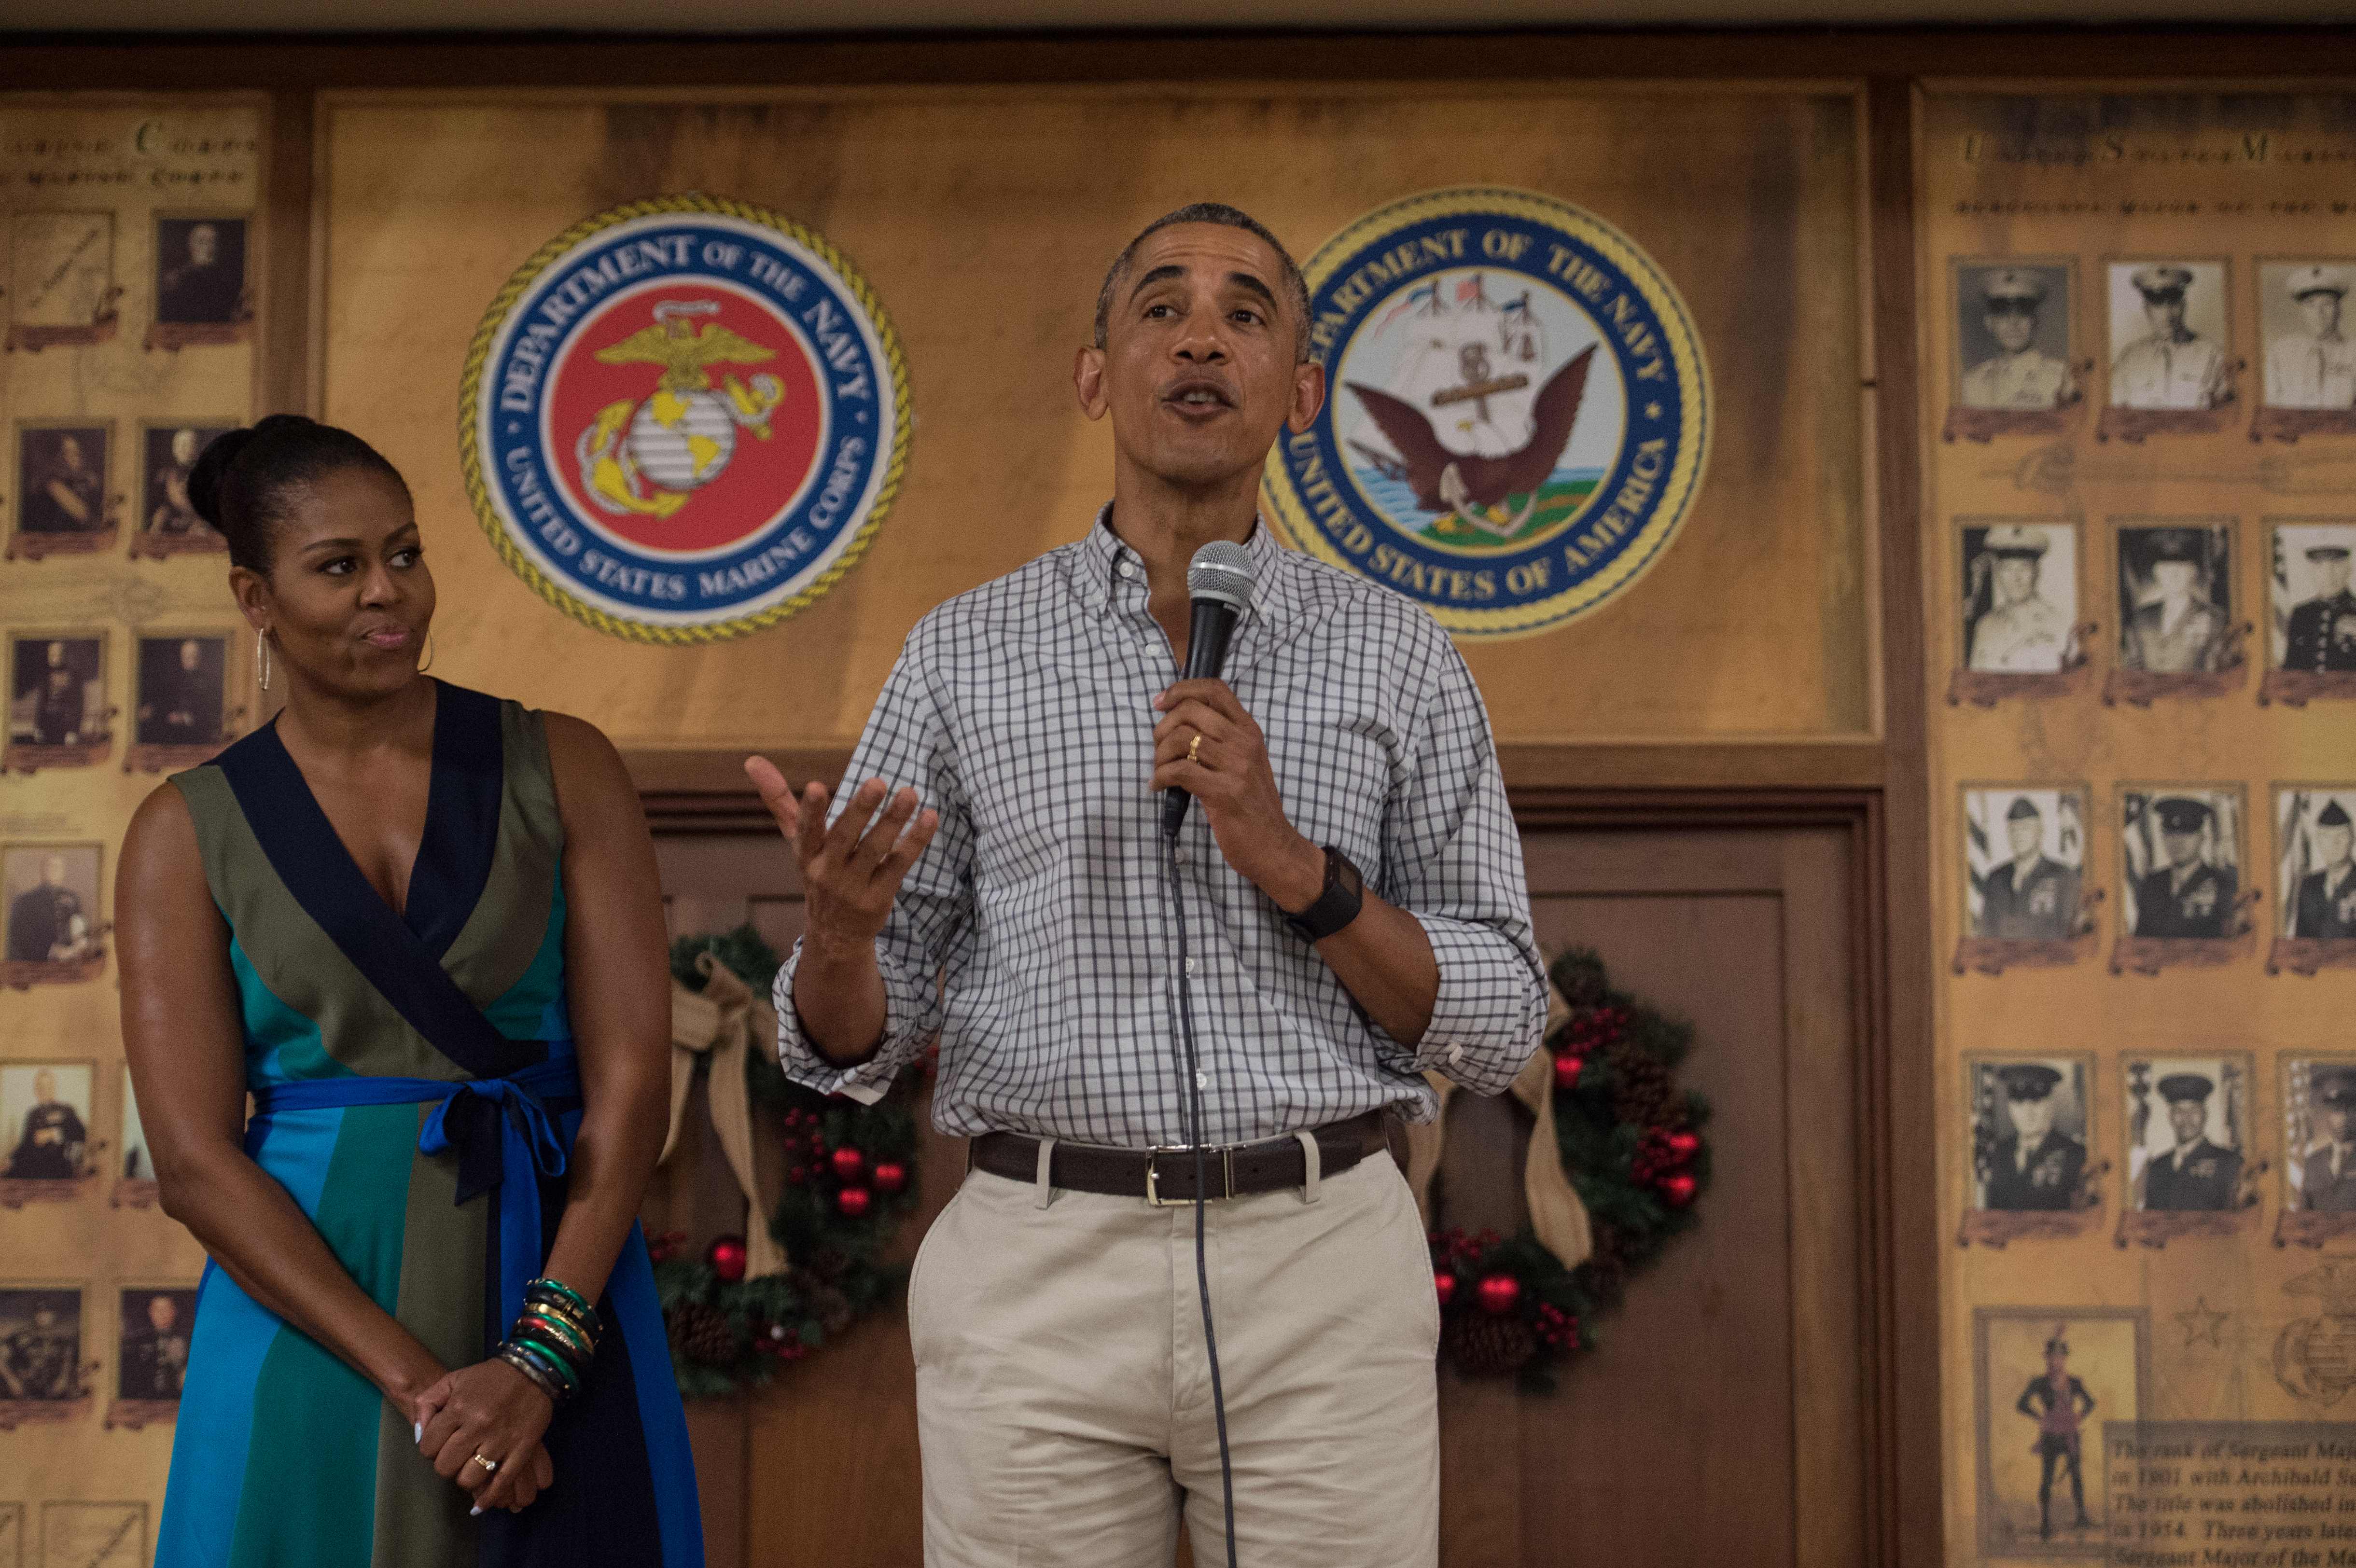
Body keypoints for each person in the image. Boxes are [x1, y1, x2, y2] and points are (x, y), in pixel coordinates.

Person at [754, 203, 1545, 1568]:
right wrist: (837, 939)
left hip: (1322, 1261)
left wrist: (1299, 870)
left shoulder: (1400, 656)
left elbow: (1500, 1014)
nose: (1200, 336)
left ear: (1299, 391)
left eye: (1247, 312)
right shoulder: (965, 653)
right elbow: (845, 1056)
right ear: (1094, 375)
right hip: (1038, 1260)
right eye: (1161, 307)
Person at [115, 414, 700, 1566]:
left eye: (407, 553)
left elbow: (635, 1081)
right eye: (339, 567)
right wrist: (427, 1387)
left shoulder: (564, 763)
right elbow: (193, 1164)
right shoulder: (182, 832)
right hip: (310, 1316)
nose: (390, 592)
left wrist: (541, 1356)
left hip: (557, 1285)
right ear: (255, 595)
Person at [2110, 265, 2230, 410]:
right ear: (2147, 310)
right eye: (2158, 305)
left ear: (2184, 306)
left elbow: (2227, 418)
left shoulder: (2213, 355)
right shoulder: (2129, 359)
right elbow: (2114, 415)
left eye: (2173, 304)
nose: (2167, 315)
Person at [2014, 1331, 2095, 1540]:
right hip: (2050, 1435)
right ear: (2047, 1359)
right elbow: (2021, 1404)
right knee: (2047, 1478)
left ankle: (2082, 1517)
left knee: (2077, 1476)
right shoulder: (2039, 1383)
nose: (2056, 1361)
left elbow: (2091, 1403)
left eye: (2060, 1357)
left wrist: (2080, 1415)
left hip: (2070, 1434)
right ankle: (2045, 1523)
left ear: (2064, 1359)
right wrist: (2038, 1417)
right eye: (2052, 1357)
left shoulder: (2075, 1382)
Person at [1960, 270, 2073, 411]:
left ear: (2034, 321)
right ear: (1989, 323)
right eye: (2003, 315)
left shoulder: (2062, 379)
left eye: (2023, 314)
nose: (2013, 324)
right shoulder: (1971, 382)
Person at [1967, 526, 2074, 673]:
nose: (2016, 578)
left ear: (2037, 572)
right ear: (1998, 573)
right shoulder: (1985, 627)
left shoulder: (2061, 624)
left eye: (2024, 568)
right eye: (2008, 569)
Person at [2121, 530, 2229, 675]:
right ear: (2157, 573)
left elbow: (2220, 671)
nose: (2173, 576)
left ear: (2193, 573)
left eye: (2181, 568)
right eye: (2166, 569)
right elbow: (2131, 667)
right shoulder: (2142, 618)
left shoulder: (2215, 619)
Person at [1982, 1064, 2086, 1211]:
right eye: (2019, 1103)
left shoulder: (2076, 1155)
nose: (2027, 1113)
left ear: (2051, 1105)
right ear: (2010, 1108)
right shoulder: (1999, 1152)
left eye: (2036, 1102)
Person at [2131, 797, 2237, 940]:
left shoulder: (2224, 884)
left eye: (2187, 834)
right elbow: (2140, 941)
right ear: (2163, 837)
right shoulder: (2152, 883)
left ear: (2202, 838)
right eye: (2171, 834)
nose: (2177, 841)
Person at [1979, 796, 2079, 941]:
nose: (2018, 835)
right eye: (2013, 829)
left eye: (2025, 828)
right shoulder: (1995, 880)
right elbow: (1986, 935)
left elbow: (2073, 937)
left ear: (2040, 832)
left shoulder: (2063, 878)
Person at [2142, 1073, 2243, 1211]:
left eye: (2194, 1111)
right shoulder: (2158, 1167)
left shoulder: (2229, 1162)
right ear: (2170, 1117)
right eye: (2179, 1111)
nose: (2186, 1119)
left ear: (2205, 1115)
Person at [2265, 265, 2356, 409]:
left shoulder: (2353, 352)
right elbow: (2272, 408)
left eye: (2328, 304)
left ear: (2339, 310)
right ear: (2301, 311)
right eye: (2310, 305)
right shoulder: (2281, 352)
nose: (2319, 313)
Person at [2285, 541, 2356, 675]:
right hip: (2308, 694)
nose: (2328, 574)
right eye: (2319, 566)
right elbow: (2290, 669)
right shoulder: (2301, 613)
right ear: (2311, 571)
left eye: (2336, 565)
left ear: (2349, 569)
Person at [137, 638, 222, 748]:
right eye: (186, 656)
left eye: (193, 655)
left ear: (200, 657)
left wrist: (185, 718)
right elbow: (165, 703)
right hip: (173, 737)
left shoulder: (210, 683)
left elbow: (212, 714)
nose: (189, 659)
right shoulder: (175, 679)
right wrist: (152, 710)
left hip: (199, 739)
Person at [5, 1068, 87, 1180]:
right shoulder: (32, 1113)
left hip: (58, 1168)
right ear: (35, 1090)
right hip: (32, 1168)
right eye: (40, 1087)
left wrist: (53, 1134)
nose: (43, 1090)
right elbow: (25, 1144)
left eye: (47, 1086)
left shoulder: (66, 1110)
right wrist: (10, 1159)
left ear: (53, 1088)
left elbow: (81, 1134)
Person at [7, 852, 89, 964]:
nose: (54, 870)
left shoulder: (73, 898)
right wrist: (51, 951)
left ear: (64, 872)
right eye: (50, 866)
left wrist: (75, 949)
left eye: (58, 867)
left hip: (69, 963)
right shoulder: (25, 900)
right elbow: (20, 937)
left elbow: (80, 930)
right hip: (37, 963)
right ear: (42, 870)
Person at [156, 221, 241, 324]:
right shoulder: (175, 280)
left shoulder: (228, 281)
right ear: (191, 246)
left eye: (213, 242)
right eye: (202, 242)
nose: (209, 248)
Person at [2293, 799, 2356, 940]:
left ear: (2353, 838)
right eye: (2327, 836)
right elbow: (2301, 941)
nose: (2334, 843)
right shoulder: (2309, 886)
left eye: (2341, 835)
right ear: (2319, 841)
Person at [20, 432, 103, 535]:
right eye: (68, 452)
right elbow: (87, 519)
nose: (76, 457)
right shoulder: (52, 484)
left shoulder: (78, 480)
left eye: (77, 452)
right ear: (55, 458)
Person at [2300, 1067, 2356, 1212]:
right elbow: (2304, 1218)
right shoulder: (2313, 1163)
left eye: (2348, 1110)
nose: (2342, 1119)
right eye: (2336, 1111)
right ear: (2327, 1116)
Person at [0, 1303, 79, 1401]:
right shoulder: (20, 1338)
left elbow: (68, 1364)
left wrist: (62, 1381)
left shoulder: (62, 1341)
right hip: (23, 1389)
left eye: (47, 1313)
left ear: (54, 1316)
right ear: (35, 1316)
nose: (43, 1316)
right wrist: (12, 1381)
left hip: (52, 1390)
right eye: (40, 1313)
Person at [123, 1292, 192, 1401]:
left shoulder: (188, 1340)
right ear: (151, 1313)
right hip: (144, 1401)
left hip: (178, 1400)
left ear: (174, 1312)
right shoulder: (136, 1342)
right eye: (157, 1310)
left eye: (167, 1309)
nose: (162, 1314)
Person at [148, 427, 216, 537]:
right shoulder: (165, 474)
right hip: (174, 518)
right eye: (181, 445)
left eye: (191, 445)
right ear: (174, 448)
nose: (185, 449)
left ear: (197, 447)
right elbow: (161, 504)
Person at [28, 639, 88, 746]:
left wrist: (73, 731)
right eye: (50, 654)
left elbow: (77, 705)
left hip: (65, 727)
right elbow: (41, 703)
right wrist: (38, 727)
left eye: (56, 654)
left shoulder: (73, 676)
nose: (52, 658)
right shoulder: (45, 676)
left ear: (64, 655)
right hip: (47, 726)